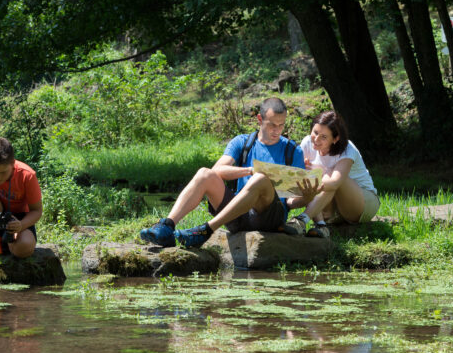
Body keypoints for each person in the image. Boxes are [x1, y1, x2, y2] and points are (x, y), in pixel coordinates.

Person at [140, 97, 319, 248]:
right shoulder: (243, 142)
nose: (277, 130)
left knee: (260, 179)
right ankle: (167, 226)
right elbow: (217, 170)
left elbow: (291, 201)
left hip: (270, 219)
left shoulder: (293, 151)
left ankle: (206, 229)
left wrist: (306, 198)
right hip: (238, 216)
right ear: (259, 119)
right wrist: (250, 169)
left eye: (281, 125)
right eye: (272, 124)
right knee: (204, 173)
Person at [283, 111, 379, 239]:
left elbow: (334, 182)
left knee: (328, 176)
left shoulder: (347, 148)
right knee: (312, 176)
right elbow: (297, 177)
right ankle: (322, 226)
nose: (316, 140)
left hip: (362, 204)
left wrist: (311, 176)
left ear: (335, 138)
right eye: (315, 133)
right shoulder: (307, 143)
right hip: (330, 208)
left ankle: (302, 219)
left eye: (323, 137)